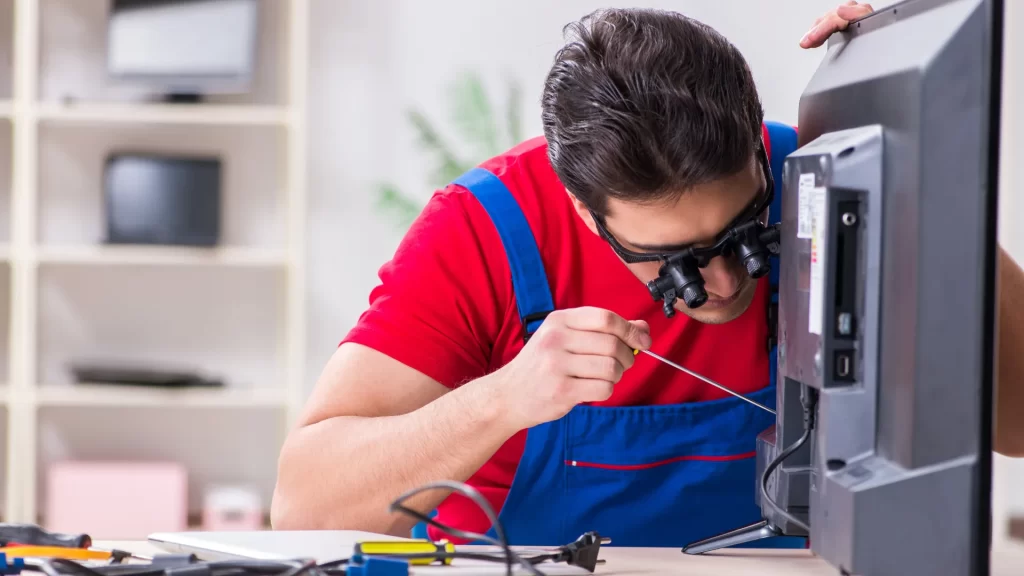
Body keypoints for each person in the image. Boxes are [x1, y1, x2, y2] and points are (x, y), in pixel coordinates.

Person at [272, 2, 1024, 547]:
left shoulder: (824, 180)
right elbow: (304, 505)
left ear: (761, 155)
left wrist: (931, 171)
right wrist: (502, 399)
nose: (726, 284)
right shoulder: (483, 231)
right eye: (675, 265)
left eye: (743, 234)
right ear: (581, 207)